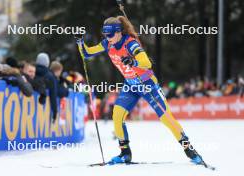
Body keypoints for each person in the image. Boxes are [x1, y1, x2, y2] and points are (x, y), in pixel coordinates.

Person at [76, 16, 204, 164]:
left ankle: (189, 150)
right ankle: (125, 153)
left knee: (166, 118)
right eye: (106, 35)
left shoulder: (130, 44)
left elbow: (146, 62)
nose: (108, 38)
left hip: (147, 84)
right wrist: (80, 41)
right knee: (117, 115)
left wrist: (133, 61)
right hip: (131, 85)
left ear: (118, 32)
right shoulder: (107, 44)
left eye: (110, 35)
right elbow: (87, 53)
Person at [35, 53, 58, 123]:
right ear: (47, 63)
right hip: (41, 112)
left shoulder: (31, 71)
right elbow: (53, 95)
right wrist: (55, 112)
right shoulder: (50, 76)